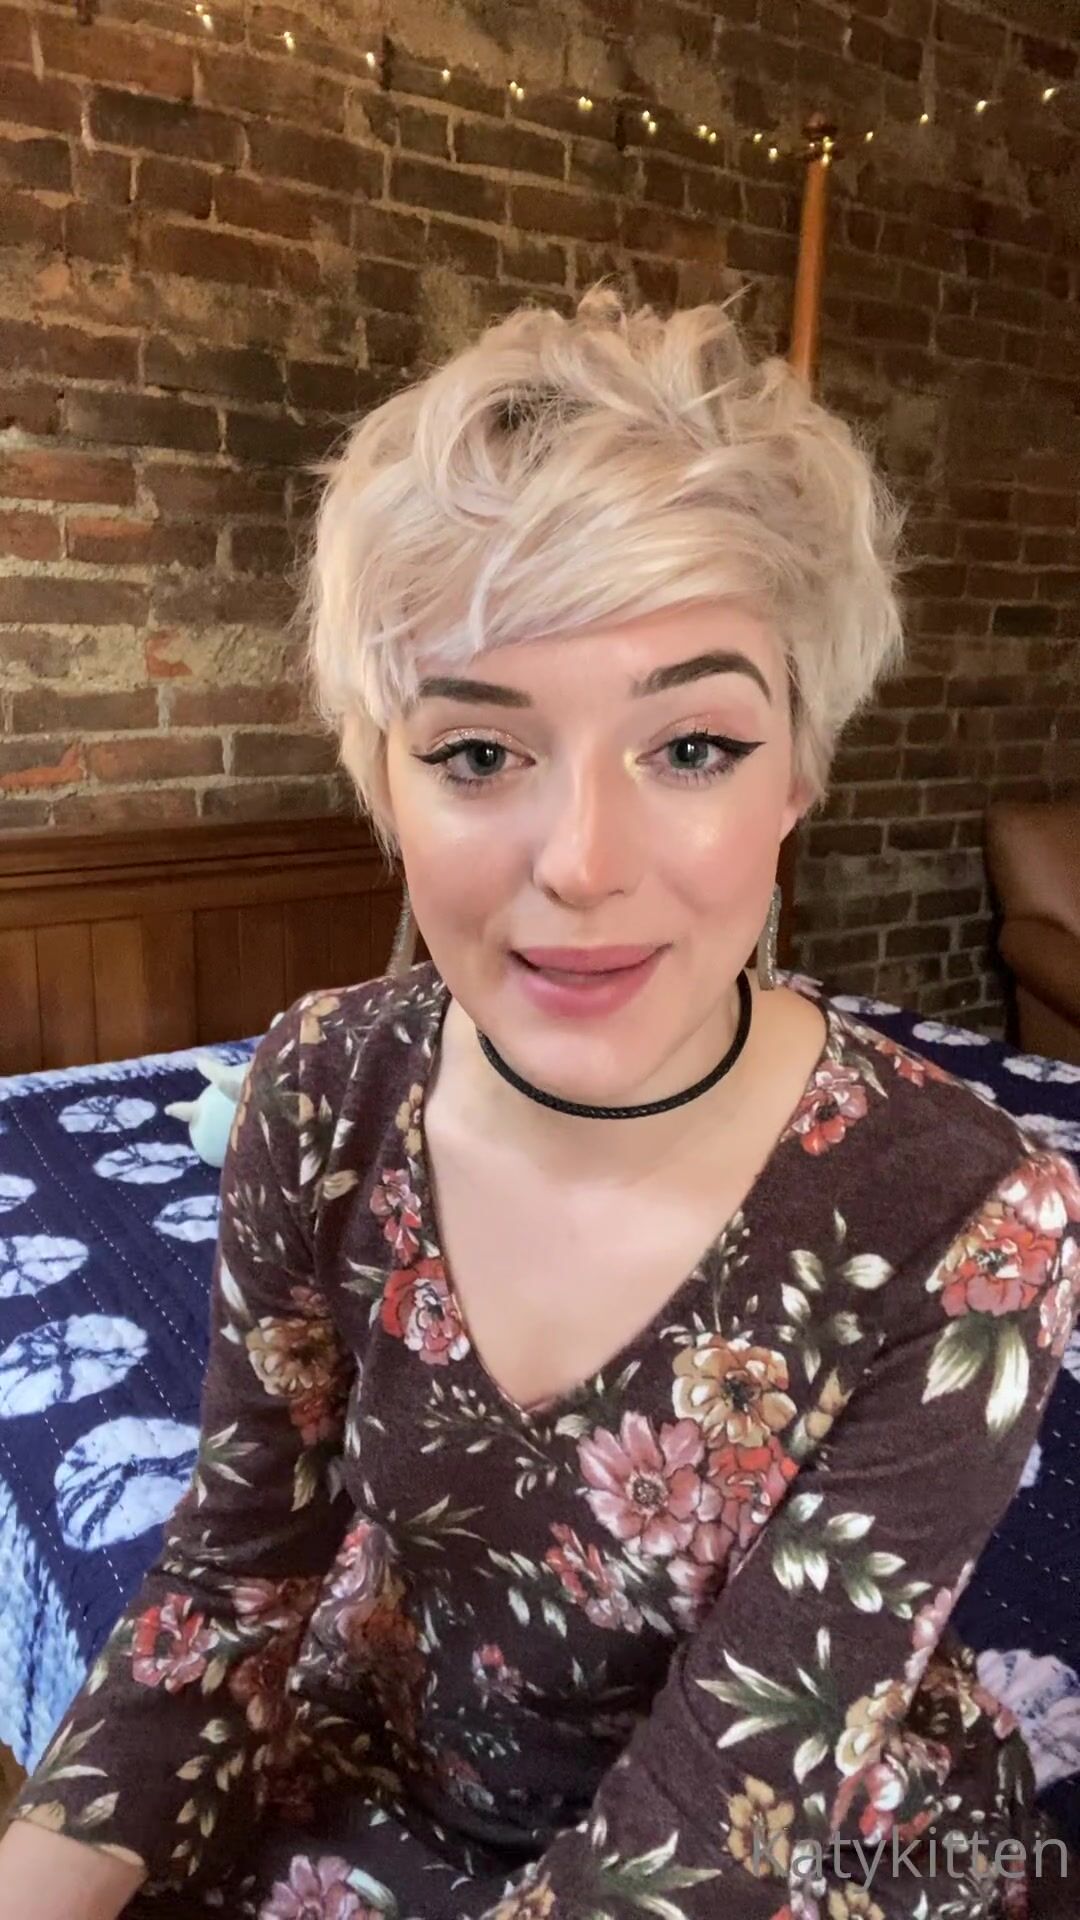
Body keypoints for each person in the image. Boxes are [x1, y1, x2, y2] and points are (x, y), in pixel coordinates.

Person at [2, 286, 1078, 1920]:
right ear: (383, 777)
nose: (581, 864)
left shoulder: (971, 1217)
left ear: (801, 768)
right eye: (479, 754)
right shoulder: (321, 1093)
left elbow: (724, 1821)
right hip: (402, 1775)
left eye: (693, 746)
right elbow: (226, 1586)